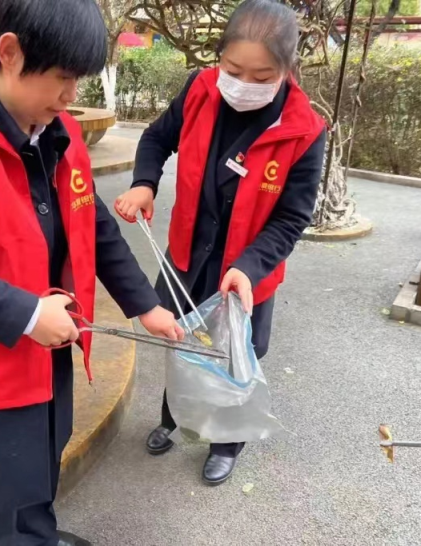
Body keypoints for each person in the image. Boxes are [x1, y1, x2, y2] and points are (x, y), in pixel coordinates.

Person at [0, 1, 183, 545]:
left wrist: (147, 306)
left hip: (46, 345)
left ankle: (38, 537)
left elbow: (93, 223)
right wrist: (26, 313)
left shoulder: (56, 130)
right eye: (63, 77)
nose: (72, 95)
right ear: (10, 52)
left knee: (38, 466)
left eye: (79, 80)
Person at [116, 0, 327, 486]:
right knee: (182, 341)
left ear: (286, 69)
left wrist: (250, 267)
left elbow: (292, 217)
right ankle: (175, 418)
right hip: (190, 256)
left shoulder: (304, 130)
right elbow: (156, 138)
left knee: (233, 357)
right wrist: (145, 182)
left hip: (244, 272)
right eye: (233, 70)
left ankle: (226, 443)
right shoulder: (200, 90)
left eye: (261, 76)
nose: (243, 84)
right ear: (219, 58)